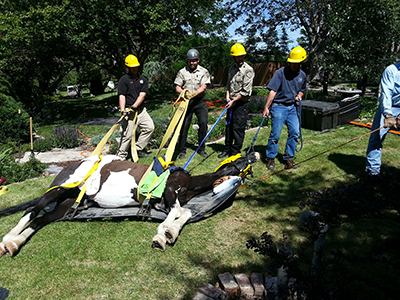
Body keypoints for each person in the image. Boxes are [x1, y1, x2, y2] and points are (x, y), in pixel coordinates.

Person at [263, 46, 307, 170]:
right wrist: (267, 107)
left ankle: (288, 158)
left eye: (297, 63)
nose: (294, 65)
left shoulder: (302, 75)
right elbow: (273, 91)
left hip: (292, 108)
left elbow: (302, 89)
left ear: (301, 63)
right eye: (292, 63)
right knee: (275, 134)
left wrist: (299, 95)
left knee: (295, 132)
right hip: (279, 106)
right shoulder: (280, 73)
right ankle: (270, 158)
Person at [218, 43, 255, 159]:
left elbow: (246, 91)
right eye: (237, 56)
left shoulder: (248, 70)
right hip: (231, 102)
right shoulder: (231, 69)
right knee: (228, 127)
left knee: (238, 128)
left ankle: (235, 152)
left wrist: (233, 101)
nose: (240, 59)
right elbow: (228, 85)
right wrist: (227, 96)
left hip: (241, 103)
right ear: (233, 57)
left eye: (241, 56)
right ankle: (227, 149)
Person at [174, 49, 211, 159]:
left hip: (199, 101)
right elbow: (177, 87)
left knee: (203, 123)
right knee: (184, 126)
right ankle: (182, 150)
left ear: (198, 60)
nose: (192, 63)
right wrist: (184, 93)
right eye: (190, 61)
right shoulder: (182, 72)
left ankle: (201, 148)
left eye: (194, 61)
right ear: (188, 60)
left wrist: (194, 94)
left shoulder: (204, 71)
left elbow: (204, 86)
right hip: (186, 102)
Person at [116, 54, 155, 160]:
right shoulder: (123, 80)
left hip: (140, 111)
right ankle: (121, 156)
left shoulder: (143, 80)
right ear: (128, 67)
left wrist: (134, 107)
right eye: (132, 67)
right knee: (127, 135)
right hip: (128, 112)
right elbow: (122, 96)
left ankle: (137, 149)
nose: (135, 68)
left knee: (149, 128)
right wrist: (123, 110)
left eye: (136, 66)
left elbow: (142, 95)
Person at [366, 62, 400, 175]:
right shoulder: (391, 70)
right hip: (389, 106)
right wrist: (388, 115)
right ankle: (373, 172)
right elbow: (386, 93)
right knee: (376, 138)